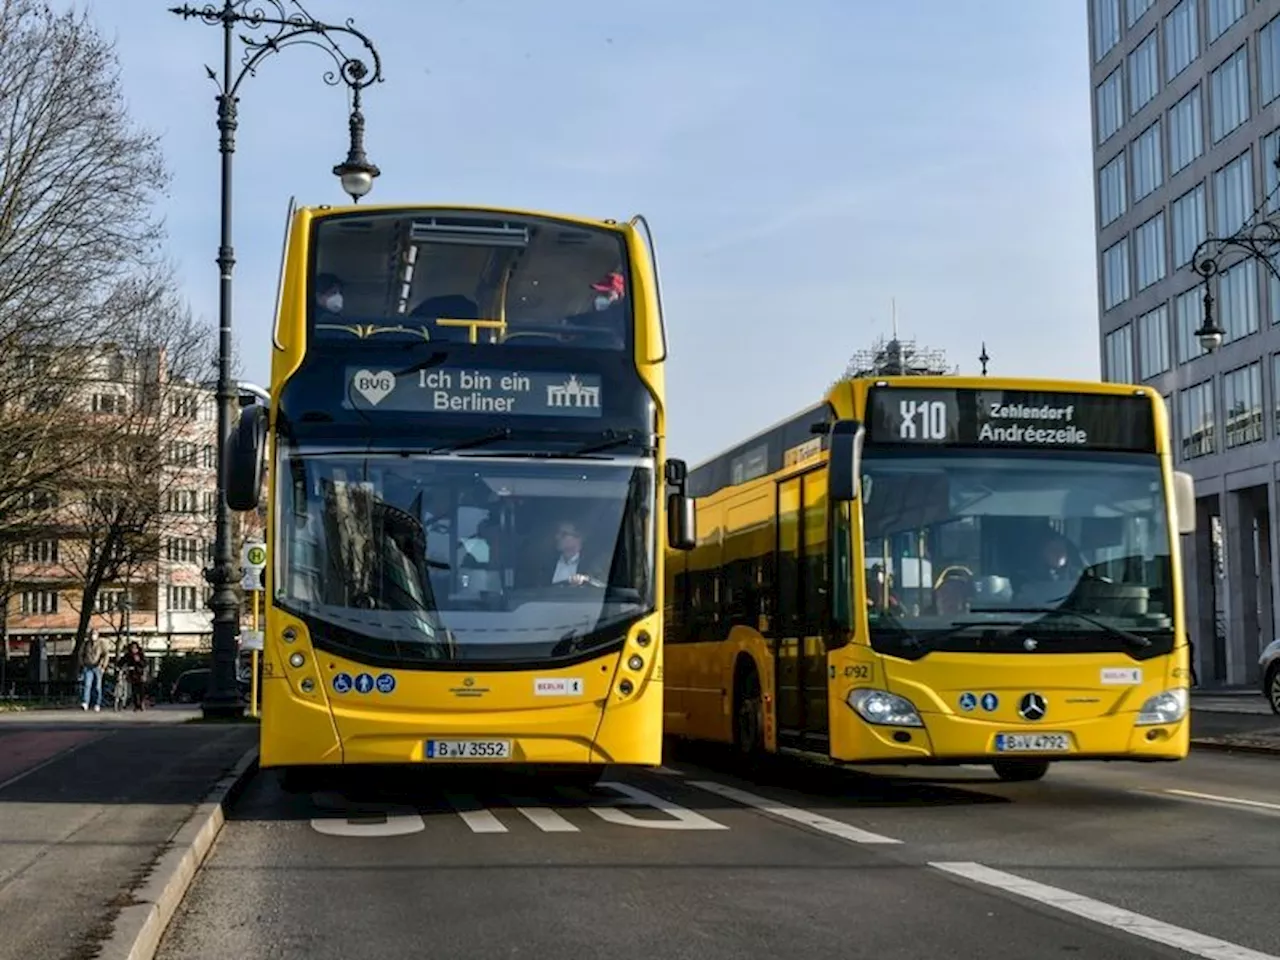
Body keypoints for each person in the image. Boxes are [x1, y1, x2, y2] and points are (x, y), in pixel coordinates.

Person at [79, 629, 108, 712]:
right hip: (88, 667)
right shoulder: (85, 644)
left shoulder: (101, 644)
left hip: (98, 667)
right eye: (92, 634)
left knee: (97, 687)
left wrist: (103, 666)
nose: (93, 636)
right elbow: (80, 654)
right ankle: (85, 702)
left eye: (95, 634)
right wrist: (82, 663)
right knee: (87, 685)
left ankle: (97, 703)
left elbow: (106, 654)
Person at [118, 641, 147, 712]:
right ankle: (136, 705)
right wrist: (120, 667)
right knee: (134, 691)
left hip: (140, 674)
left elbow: (144, 664)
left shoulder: (140, 654)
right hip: (132, 675)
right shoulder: (128, 655)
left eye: (135, 648)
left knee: (141, 690)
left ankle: (141, 703)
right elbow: (121, 662)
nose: (133, 649)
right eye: (132, 648)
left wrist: (139, 661)